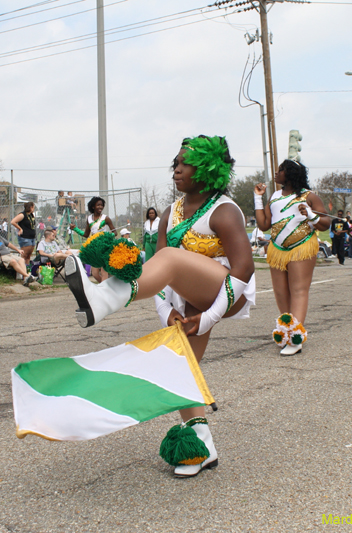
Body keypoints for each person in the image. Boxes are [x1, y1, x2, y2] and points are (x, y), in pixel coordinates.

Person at [64, 134, 255, 478]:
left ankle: (104, 297)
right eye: (175, 164)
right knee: (179, 367)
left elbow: (244, 269)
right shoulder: (171, 212)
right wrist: (165, 311)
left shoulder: (225, 210)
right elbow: (157, 270)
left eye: (185, 164)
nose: (177, 170)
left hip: (225, 293)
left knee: (169, 257)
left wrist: (209, 318)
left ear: (209, 169)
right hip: (185, 297)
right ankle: (200, 444)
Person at [254, 159, 330, 354]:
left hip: (301, 246)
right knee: (281, 292)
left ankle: (295, 338)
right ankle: (288, 330)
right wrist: (258, 198)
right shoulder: (275, 196)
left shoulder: (309, 196)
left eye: (280, 170)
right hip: (277, 249)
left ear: (290, 173)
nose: (276, 173)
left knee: (298, 290)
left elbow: (325, 224)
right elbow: (264, 225)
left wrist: (311, 215)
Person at [71, 196, 117, 282]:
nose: (100, 207)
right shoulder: (89, 219)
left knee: (104, 273)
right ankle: (106, 287)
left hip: (104, 248)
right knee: (95, 274)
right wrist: (75, 229)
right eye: (98, 205)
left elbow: (115, 232)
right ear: (93, 206)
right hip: (95, 249)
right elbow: (85, 234)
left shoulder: (105, 218)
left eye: (102, 205)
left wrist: (106, 236)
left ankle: (104, 290)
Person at [11, 201, 38, 266]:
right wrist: (20, 229)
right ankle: (21, 270)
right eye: (33, 207)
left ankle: (27, 269)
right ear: (31, 207)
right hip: (25, 238)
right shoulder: (22, 215)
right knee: (24, 255)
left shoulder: (31, 215)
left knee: (29, 255)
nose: (34, 208)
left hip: (32, 237)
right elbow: (13, 222)